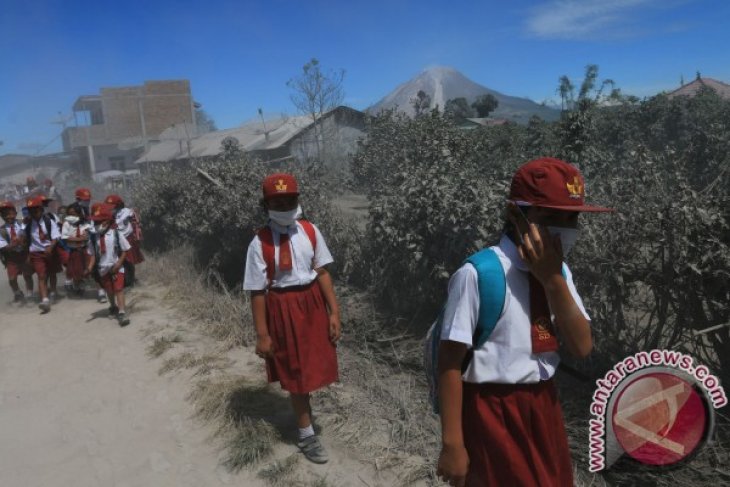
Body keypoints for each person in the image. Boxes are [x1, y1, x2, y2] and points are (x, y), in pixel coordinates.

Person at [436, 158, 613, 487]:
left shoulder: (559, 272)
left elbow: (581, 346)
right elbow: (448, 362)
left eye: (571, 217)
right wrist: (453, 444)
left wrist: (552, 280)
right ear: (515, 214)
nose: (564, 227)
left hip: (543, 407)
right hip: (493, 412)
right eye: (550, 217)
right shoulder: (479, 274)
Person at [243, 173, 341, 464]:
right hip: (283, 307)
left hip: (311, 304)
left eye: (289, 200)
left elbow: (322, 272)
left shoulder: (310, 231)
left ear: (298, 201)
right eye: (277, 202)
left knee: (312, 365)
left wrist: (333, 312)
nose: (284, 205)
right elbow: (257, 291)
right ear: (266, 206)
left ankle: (305, 415)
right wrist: (262, 334)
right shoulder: (259, 243)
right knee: (296, 371)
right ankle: (306, 433)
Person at [85, 203, 131, 326]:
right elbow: (93, 255)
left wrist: (118, 264)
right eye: (95, 222)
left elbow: (125, 250)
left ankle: (122, 312)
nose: (96, 225)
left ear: (107, 221)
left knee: (119, 289)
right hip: (102, 269)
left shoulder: (116, 234)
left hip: (116, 267)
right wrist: (89, 268)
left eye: (99, 222)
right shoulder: (93, 238)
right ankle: (113, 306)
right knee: (109, 290)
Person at [25, 196, 61, 312]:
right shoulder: (28, 224)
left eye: (36, 209)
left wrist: (50, 247)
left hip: (50, 252)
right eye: (31, 210)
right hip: (36, 253)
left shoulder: (48, 221)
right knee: (41, 276)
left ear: (41, 209)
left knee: (52, 273)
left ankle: (53, 291)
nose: (33, 212)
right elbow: (25, 239)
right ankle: (44, 300)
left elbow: (55, 237)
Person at [105, 194, 144, 286]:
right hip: (115, 239)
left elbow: (136, 218)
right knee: (117, 260)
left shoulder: (127, 212)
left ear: (118, 205)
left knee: (129, 260)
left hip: (128, 238)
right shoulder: (109, 214)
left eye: (113, 206)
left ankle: (131, 279)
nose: (111, 208)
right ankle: (120, 280)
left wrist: (135, 215)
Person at [0, 201, 33, 302]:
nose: (9, 216)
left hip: (24, 254)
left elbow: (28, 231)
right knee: (12, 279)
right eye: (5, 215)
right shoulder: (1, 230)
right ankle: (18, 293)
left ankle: (30, 294)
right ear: (1, 216)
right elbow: (4, 247)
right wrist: (15, 243)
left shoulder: (21, 223)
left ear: (15, 213)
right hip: (12, 257)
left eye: (11, 213)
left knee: (27, 275)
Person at [61, 203, 91, 296]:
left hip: (85, 249)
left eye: (73, 214)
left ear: (79, 214)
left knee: (88, 269)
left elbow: (87, 235)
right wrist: (79, 239)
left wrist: (84, 237)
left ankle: (84, 283)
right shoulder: (67, 224)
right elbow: (65, 237)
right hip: (75, 250)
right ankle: (77, 286)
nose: (71, 216)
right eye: (69, 214)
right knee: (76, 270)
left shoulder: (85, 223)